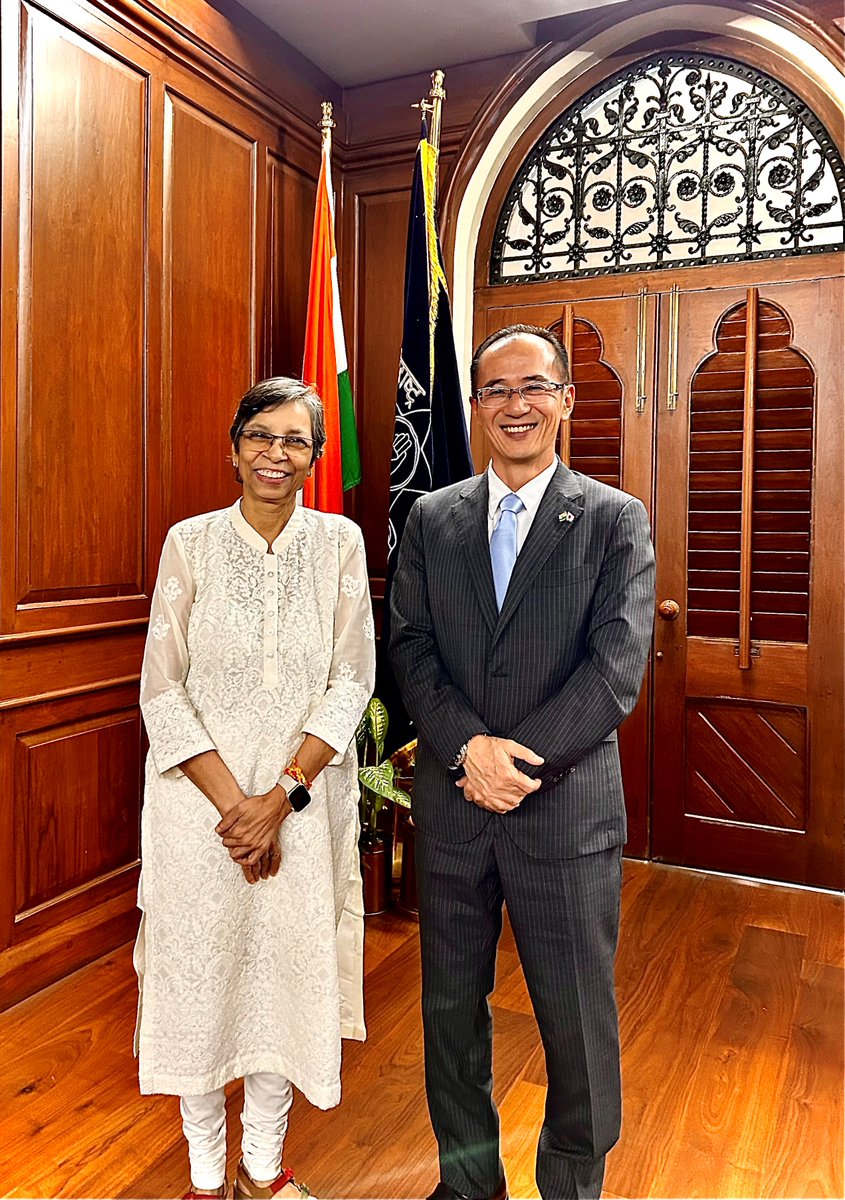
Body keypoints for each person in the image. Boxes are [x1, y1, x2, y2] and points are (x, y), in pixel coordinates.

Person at [389, 325, 655, 1200]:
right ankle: (467, 1186)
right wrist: (467, 748)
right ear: (475, 405)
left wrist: (515, 766)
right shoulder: (431, 518)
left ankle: (569, 1188)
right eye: (496, 389)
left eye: (533, 386)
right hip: (454, 809)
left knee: (576, 1026)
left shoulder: (613, 519)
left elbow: (614, 670)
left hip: (564, 814)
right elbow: (411, 646)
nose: (516, 404)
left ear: (565, 399)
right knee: (448, 1017)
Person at [135, 377, 375, 1200]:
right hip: (197, 814)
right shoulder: (191, 543)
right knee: (200, 988)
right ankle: (206, 1179)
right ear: (234, 449)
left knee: (281, 984)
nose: (276, 453)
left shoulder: (339, 543)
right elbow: (162, 687)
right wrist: (235, 809)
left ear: (316, 455)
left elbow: (351, 681)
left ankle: (264, 1172)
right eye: (260, 436)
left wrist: (278, 800)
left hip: (300, 808)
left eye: (294, 439)